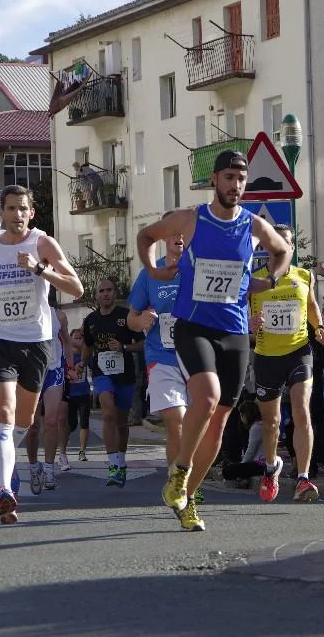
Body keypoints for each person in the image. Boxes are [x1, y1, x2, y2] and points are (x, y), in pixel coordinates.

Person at [137, 149, 290, 532]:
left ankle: (187, 497)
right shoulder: (191, 219)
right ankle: (179, 473)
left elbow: (283, 250)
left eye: (241, 179)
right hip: (194, 326)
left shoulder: (254, 225)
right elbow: (146, 235)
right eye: (229, 177)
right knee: (206, 397)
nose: (235, 185)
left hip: (234, 331)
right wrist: (153, 270)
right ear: (215, 180)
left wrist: (270, 280)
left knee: (220, 421)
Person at [0, 184, 83, 525]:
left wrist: (39, 269)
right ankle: (5, 490)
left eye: (23, 208)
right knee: (2, 414)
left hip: (35, 341)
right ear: (1, 213)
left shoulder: (42, 243)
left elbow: (77, 288)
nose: (17, 214)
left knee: (24, 421)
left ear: (31, 213)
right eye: (11, 208)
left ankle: (5, 452)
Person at [248, 223, 324, 503]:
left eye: (287, 241)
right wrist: (249, 323)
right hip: (267, 356)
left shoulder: (304, 276)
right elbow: (237, 312)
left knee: (302, 411)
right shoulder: (253, 279)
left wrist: (319, 328)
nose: (281, 245)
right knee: (271, 422)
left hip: (299, 351)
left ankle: (303, 479)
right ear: (267, 246)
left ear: (292, 248)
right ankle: (271, 467)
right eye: (276, 241)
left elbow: (311, 306)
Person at [127, 212, 204, 502]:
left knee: (197, 426)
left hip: (197, 357)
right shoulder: (150, 273)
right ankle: (179, 484)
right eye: (173, 232)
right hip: (162, 357)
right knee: (177, 419)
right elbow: (131, 319)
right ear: (163, 237)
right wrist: (141, 321)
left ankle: (188, 482)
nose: (179, 237)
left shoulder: (201, 269)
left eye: (184, 231)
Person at [79, 278, 145, 487]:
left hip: (125, 374)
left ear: (114, 293)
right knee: (108, 414)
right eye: (102, 291)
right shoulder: (90, 320)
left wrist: (124, 347)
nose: (105, 294)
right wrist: (82, 363)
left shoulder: (126, 316)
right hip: (102, 374)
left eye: (109, 290)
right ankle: (113, 465)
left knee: (122, 422)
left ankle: (121, 462)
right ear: (96, 295)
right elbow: (88, 346)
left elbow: (142, 343)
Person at [25, 307, 71, 492]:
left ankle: (49, 470)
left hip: (54, 371)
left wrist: (71, 366)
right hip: (31, 373)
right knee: (32, 426)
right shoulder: (24, 312)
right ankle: (34, 467)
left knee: (52, 422)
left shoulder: (59, 315)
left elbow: (67, 341)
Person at [220, 400, 264, 486]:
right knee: (235, 466)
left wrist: (242, 464)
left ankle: (242, 478)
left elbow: (251, 450)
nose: (241, 418)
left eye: (241, 415)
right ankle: (243, 478)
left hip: (260, 464)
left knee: (227, 470)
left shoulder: (256, 427)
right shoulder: (258, 425)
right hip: (260, 462)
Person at [67, 328, 92, 461]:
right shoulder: (67, 355)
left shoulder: (86, 355)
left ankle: (82, 451)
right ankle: (64, 444)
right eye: (75, 338)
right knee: (71, 425)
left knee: (84, 422)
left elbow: (94, 367)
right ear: (70, 339)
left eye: (80, 338)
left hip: (84, 393)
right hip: (70, 394)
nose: (78, 341)